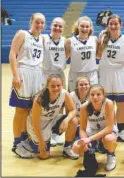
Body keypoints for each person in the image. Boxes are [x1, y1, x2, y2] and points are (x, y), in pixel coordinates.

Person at [14, 74, 79, 160]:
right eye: (53, 86)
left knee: (73, 120)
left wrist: (66, 120)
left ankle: (67, 147)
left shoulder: (64, 93)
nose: (56, 88)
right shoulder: (39, 99)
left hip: (51, 120)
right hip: (37, 125)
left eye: (58, 85)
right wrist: (41, 141)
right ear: (47, 86)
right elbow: (35, 123)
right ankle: (28, 142)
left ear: (62, 85)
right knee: (44, 156)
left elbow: (73, 110)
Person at [9, 13, 46, 153]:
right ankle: (16, 143)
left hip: (37, 74)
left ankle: (24, 139)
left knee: (31, 110)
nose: (40, 25)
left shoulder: (42, 38)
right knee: (20, 110)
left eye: (42, 23)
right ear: (31, 21)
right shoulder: (22, 34)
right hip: (24, 72)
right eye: (37, 22)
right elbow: (12, 54)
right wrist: (15, 75)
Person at [97, 14, 124, 144]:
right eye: (110, 24)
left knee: (121, 103)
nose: (113, 26)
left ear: (120, 25)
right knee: (107, 104)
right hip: (105, 71)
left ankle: (122, 130)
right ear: (107, 25)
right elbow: (98, 54)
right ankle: (110, 128)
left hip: (119, 71)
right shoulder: (102, 37)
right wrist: (100, 40)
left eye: (115, 24)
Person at [72, 85, 118, 171]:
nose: (95, 97)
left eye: (98, 94)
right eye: (92, 95)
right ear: (88, 96)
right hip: (92, 131)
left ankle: (111, 155)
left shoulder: (108, 103)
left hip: (106, 132)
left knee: (109, 139)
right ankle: (91, 151)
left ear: (103, 95)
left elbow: (109, 128)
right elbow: (82, 129)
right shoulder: (84, 107)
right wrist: (84, 140)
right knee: (76, 147)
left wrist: (89, 139)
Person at [43, 17, 67, 146]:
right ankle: (46, 133)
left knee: (60, 104)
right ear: (51, 26)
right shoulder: (43, 38)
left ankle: (56, 133)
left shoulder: (65, 41)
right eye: (55, 25)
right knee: (47, 105)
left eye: (60, 26)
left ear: (64, 28)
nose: (57, 28)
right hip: (46, 74)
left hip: (60, 74)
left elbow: (66, 55)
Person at [65, 16, 99, 92]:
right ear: (78, 26)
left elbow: (99, 55)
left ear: (90, 28)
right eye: (82, 26)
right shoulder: (70, 41)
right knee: (73, 99)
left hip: (91, 74)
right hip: (75, 74)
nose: (84, 29)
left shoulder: (95, 39)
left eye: (87, 26)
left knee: (92, 99)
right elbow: (64, 58)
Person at [70, 76, 90, 140]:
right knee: (72, 120)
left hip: (90, 122)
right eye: (81, 85)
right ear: (77, 86)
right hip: (77, 121)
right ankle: (69, 142)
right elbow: (69, 113)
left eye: (86, 84)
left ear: (89, 85)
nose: (84, 86)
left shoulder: (93, 95)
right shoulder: (71, 96)